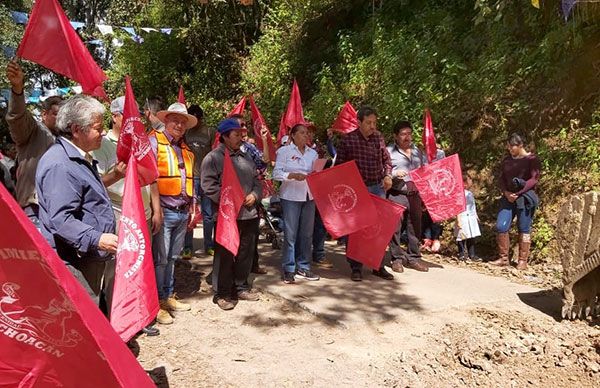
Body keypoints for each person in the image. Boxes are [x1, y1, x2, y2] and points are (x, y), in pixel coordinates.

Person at [35, 95, 117, 315]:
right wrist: (97, 238)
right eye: (98, 128)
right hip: (76, 260)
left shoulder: (79, 157)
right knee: (84, 318)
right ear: (76, 129)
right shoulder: (61, 165)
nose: (103, 133)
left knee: (94, 314)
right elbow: (60, 219)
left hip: (88, 256)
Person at [91, 96, 161, 336]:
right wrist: (116, 174)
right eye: (129, 117)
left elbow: (152, 178)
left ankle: (140, 316)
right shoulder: (102, 144)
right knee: (119, 269)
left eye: (137, 117)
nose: (135, 122)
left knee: (141, 263)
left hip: (144, 213)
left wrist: (157, 209)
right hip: (119, 213)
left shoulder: (141, 143)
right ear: (115, 116)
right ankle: (118, 324)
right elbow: (95, 182)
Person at [201, 118, 262, 310]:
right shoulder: (213, 158)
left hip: (249, 214)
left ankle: (241, 286)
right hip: (227, 217)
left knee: (246, 252)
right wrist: (229, 201)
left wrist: (254, 194)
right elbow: (209, 186)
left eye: (241, 134)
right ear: (225, 136)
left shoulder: (247, 158)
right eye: (236, 135)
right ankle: (223, 293)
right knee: (225, 254)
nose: (240, 138)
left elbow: (257, 181)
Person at [149, 102, 197, 324]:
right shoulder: (154, 142)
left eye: (183, 121)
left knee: (173, 257)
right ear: (165, 120)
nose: (179, 124)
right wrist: (156, 210)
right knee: (160, 258)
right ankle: (157, 302)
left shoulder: (186, 150)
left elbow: (190, 180)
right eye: (175, 120)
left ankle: (168, 295)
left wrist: (193, 207)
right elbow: (150, 178)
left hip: (182, 211)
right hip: (165, 211)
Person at [335, 106, 395, 281]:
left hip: (377, 187)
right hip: (357, 191)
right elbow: (339, 168)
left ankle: (378, 265)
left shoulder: (378, 138)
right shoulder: (348, 141)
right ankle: (356, 267)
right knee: (356, 230)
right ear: (358, 122)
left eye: (374, 123)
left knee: (378, 228)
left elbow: (387, 161)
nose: (372, 126)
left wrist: (388, 175)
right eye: (368, 123)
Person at [5, 60, 62, 228]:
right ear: (44, 114)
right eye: (56, 114)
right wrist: (17, 89)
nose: (60, 118)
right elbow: (17, 117)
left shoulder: (67, 138)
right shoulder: (33, 131)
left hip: (61, 211)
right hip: (35, 210)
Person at [273, 123, 320, 284]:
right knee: (291, 234)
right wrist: (291, 175)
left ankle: (304, 266)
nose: (305, 135)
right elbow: (276, 174)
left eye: (307, 133)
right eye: (301, 133)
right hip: (290, 196)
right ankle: (289, 269)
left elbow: (316, 173)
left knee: (307, 234)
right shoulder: (284, 152)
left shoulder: (313, 153)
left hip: (309, 196)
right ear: (292, 135)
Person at [489, 133, 541, 270]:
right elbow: (501, 179)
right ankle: (503, 258)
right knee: (501, 225)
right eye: (509, 147)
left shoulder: (532, 159)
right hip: (508, 197)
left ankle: (523, 260)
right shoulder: (507, 160)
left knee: (524, 228)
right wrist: (506, 193)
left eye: (513, 147)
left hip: (525, 197)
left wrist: (519, 192)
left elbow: (534, 179)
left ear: (521, 145)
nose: (510, 149)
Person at [386, 121, 430, 273]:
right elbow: (382, 171)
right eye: (403, 134)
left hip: (415, 194)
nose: (407, 137)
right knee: (395, 227)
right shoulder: (388, 151)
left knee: (415, 226)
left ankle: (414, 257)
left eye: (409, 134)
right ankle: (396, 258)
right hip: (397, 192)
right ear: (395, 136)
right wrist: (394, 174)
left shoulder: (417, 151)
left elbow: (425, 169)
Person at [182, 104, 216, 258]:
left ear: (202, 118)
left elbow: (217, 152)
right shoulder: (185, 133)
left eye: (198, 118)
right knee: (190, 213)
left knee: (208, 214)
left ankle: (209, 245)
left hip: (207, 178)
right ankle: (187, 247)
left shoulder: (210, 132)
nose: (196, 122)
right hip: (191, 178)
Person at [454, 173, 481, 261]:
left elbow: (472, 206)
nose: (471, 182)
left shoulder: (469, 193)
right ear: (464, 182)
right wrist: (458, 219)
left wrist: (476, 216)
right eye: (469, 180)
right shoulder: (459, 193)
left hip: (471, 217)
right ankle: (461, 253)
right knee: (462, 236)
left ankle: (472, 254)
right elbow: (458, 207)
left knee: (471, 236)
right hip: (463, 217)